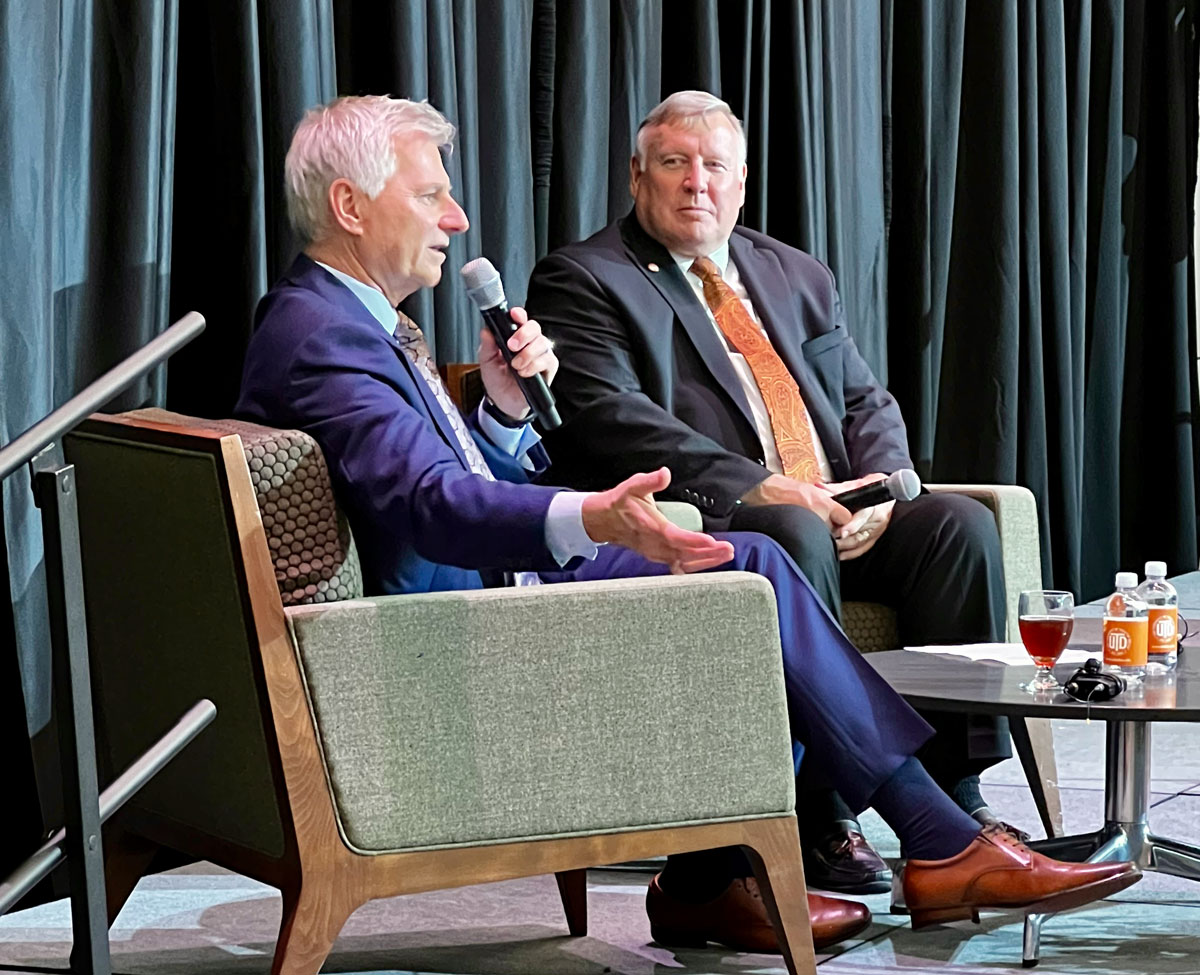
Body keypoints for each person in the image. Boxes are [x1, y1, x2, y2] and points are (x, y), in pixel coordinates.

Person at [234, 94, 1137, 955]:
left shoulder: (351, 321)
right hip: (445, 630)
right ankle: (915, 846)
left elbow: (443, 479)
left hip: (472, 590)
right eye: (431, 193)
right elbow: (431, 509)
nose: (457, 217)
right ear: (350, 206)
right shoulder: (325, 334)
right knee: (746, 565)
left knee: (798, 557)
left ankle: (796, 862)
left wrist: (504, 411)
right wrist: (599, 515)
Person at [527, 90, 1020, 891]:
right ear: (636, 176)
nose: (696, 184)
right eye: (675, 164)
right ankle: (822, 812)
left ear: (742, 180)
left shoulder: (794, 272)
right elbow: (615, 420)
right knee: (784, 533)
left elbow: (864, 400)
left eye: (714, 166)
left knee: (955, 526)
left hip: (842, 510)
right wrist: (763, 486)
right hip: (726, 519)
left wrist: (885, 488)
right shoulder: (586, 277)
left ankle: (959, 794)